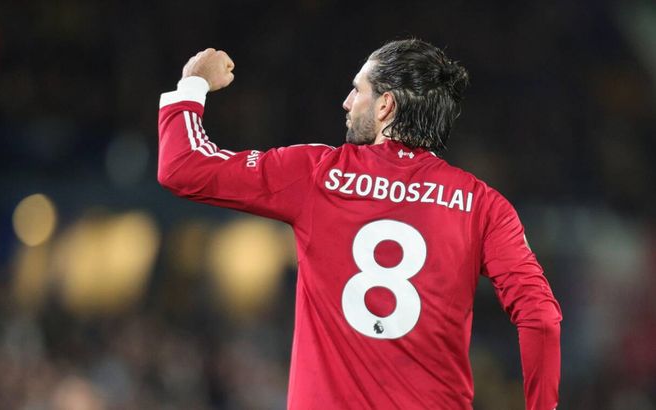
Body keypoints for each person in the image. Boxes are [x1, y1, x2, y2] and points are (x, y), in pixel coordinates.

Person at [157, 39, 562, 410]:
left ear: (385, 106)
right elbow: (541, 318)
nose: (347, 102)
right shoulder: (483, 205)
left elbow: (183, 167)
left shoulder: (319, 174)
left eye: (357, 90)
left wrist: (193, 84)